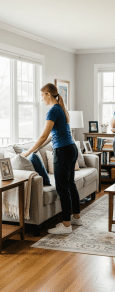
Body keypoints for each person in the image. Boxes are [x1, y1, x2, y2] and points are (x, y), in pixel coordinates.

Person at [21, 83, 82, 234]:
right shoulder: (60, 108)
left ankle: (66, 225)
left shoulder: (53, 110)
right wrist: (37, 148)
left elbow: (42, 136)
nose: (42, 99)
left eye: (42, 96)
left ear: (48, 94)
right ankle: (76, 217)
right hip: (70, 148)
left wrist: (28, 152)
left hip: (63, 151)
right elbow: (51, 136)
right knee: (70, 184)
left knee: (62, 187)